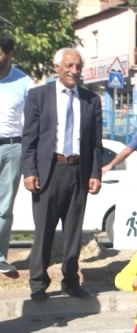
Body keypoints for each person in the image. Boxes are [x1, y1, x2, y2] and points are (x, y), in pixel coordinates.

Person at [21, 48, 103, 301]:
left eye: (78, 66)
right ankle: (38, 283)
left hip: (78, 171)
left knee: (73, 232)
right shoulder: (39, 96)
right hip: (49, 171)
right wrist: (29, 171)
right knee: (44, 230)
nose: (74, 71)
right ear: (56, 67)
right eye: (69, 66)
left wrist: (95, 172)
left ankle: (70, 280)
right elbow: (30, 138)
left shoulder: (91, 100)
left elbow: (95, 142)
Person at [0, 33, 32, 275]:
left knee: (4, 206)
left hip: (12, 148)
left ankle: (0, 256)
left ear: (9, 54)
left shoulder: (24, 82)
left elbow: (33, 119)